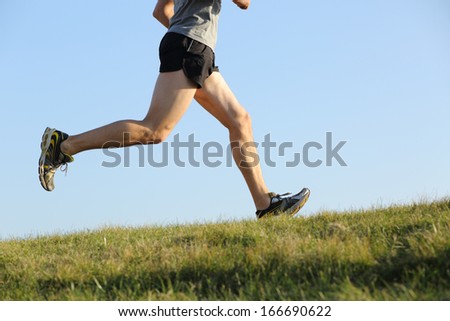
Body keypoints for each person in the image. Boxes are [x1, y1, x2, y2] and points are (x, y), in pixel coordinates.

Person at [38, 0, 310, 219]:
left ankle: (266, 204)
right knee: (155, 130)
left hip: (193, 47)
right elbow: (245, 2)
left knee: (240, 120)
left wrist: (181, 30)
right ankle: (64, 146)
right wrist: (184, 35)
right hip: (189, 47)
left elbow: (161, 11)